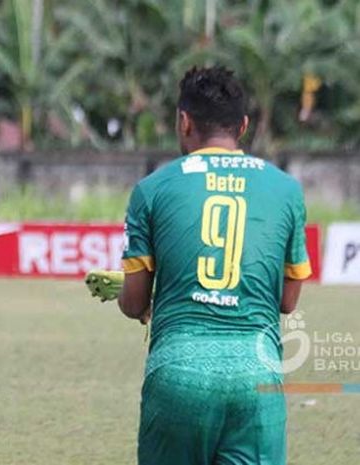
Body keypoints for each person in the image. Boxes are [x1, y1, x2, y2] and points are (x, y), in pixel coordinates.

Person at [117, 67, 310, 465]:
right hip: (257, 377)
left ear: (183, 122)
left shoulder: (152, 189)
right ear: (242, 126)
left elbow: (133, 303)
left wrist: (145, 293)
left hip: (178, 373)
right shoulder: (286, 189)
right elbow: (288, 301)